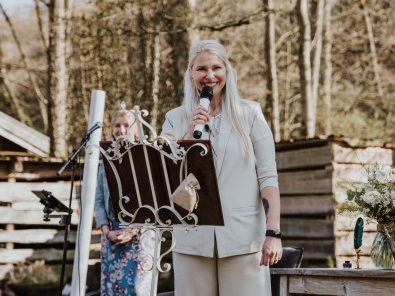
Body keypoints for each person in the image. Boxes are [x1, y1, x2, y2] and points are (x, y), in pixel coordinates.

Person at [161, 39, 283, 296]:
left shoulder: (249, 113)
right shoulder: (174, 119)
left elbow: (268, 177)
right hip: (192, 237)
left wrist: (273, 233)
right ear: (191, 73)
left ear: (227, 72)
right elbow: (167, 178)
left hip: (243, 238)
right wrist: (187, 136)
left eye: (217, 67)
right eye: (201, 69)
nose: (209, 75)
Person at [94, 109, 154, 295]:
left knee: (138, 288)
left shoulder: (146, 158)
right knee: (113, 289)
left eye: (126, 125)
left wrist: (132, 230)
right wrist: (106, 231)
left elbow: (152, 200)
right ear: (112, 130)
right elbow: (99, 199)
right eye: (117, 125)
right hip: (111, 233)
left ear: (135, 129)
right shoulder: (106, 160)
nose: (121, 130)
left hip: (140, 235)